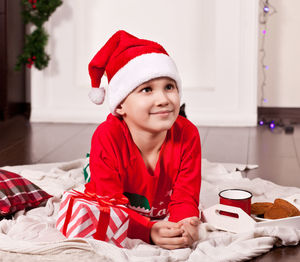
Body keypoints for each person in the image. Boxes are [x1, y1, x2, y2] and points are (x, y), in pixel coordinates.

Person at [85, 30, 201, 249]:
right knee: (93, 187)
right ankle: (90, 165)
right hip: (113, 188)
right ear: (120, 105)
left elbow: (186, 195)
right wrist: (147, 230)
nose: (164, 99)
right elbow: (108, 207)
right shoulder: (107, 137)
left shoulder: (188, 134)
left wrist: (185, 221)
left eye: (169, 87)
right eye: (147, 89)